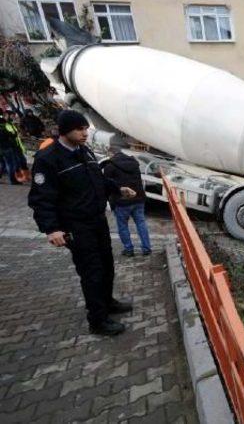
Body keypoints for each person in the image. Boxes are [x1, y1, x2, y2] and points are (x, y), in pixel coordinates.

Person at [28, 110, 137, 336]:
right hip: (76, 225)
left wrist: (117, 189)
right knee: (92, 272)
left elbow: (97, 178)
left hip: (97, 220)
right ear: (65, 130)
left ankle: (108, 303)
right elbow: (41, 197)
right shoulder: (48, 159)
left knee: (107, 264)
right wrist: (52, 229)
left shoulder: (83, 151)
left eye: (86, 128)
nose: (85, 133)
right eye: (80, 129)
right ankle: (97, 321)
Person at [101, 148, 151, 257]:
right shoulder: (134, 163)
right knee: (141, 223)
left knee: (123, 226)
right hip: (138, 198)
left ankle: (129, 249)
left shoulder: (110, 166)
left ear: (111, 154)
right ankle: (146, 248)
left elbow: (107, 186)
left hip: (121, 201)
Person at [3, 110, 29, 182]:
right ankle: (16, 178)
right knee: (14, 164)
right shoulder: (5, 125)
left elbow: (16, 135)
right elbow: (10, 136)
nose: (13, 117)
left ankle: (26, 176)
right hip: (12, 147)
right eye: (12, 115)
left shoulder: (12, 124)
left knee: (22, 161)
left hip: (17, 146)